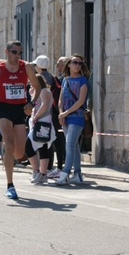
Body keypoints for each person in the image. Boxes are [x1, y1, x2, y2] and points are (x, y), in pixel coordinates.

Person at [0, 40, 41, 199]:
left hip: (19, 109)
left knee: (19, 154)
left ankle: (4, 142)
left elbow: (37, 86)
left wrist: (31, 103)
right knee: (10, 144)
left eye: (20, 53)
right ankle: (10, 185)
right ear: (7, 51)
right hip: (3, 107)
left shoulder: (26, 67)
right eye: (14, 52)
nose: (17, 56)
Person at [55, 54, 90, 185]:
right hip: (65, 117)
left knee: (69, 145)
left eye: (80, 63)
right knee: (74, 146)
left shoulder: (83, 81)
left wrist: (65, 113)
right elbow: (60, 100)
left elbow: (81, 101)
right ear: (68, 64)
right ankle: (78, 174)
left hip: (77, 117)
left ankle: (65, 173)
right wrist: (60, 114)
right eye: (75, 62)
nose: (77, 65)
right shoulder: (65, 80)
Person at [26, 74, 56, 183]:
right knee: (42, 148)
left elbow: (44, 105)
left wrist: (37, 116)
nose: (30, 85)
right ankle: (43, 174)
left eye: (31, 83)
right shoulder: (39, 92)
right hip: (39, 122)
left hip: (42, 122)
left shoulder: (44, 91)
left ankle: (36, 171)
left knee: (28, 146)